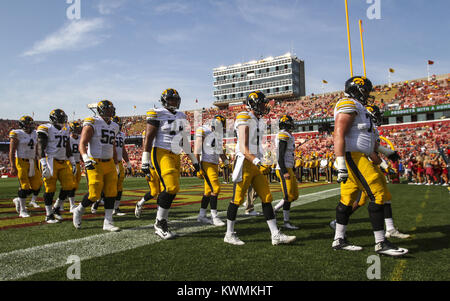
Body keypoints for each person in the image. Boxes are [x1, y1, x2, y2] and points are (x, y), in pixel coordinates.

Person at [332, 76, 408, 256]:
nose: (368, 94)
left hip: (358, 155)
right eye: (365, 90)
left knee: (347, 199)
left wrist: (388, 153)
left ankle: (339, 239)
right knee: (378, 193)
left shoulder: (359, 108)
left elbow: (369, 142)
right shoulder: (348, 103)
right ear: (356, 89)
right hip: (353, 156)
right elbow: (339, 133)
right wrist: (341, 162)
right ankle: (381, 243)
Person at [224, 91, 296, 246]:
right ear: (253, 104)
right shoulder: (244, 117)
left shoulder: (260, 120)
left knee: (267, 197)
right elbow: (243, 148)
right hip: (245, 161)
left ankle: (275, 234)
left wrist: (261, 160)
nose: (265, 106)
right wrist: (258, 161)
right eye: (262, 103)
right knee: (237, 199)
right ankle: (229, 234)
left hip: (256, 161)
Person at [141, 88, 198, 239]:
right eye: (171, 99)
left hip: (176, 153)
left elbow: (183, 139)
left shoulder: (181, 115)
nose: (174, 102)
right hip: (161, 151)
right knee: (171, 187)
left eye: (176, 99)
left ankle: (161, 219)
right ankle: (160, 223)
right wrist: (145, 161)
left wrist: (194, 160)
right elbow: (149, 137)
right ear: (165, 100)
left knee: (173, 189)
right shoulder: (157, 113)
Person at [72, 100, 120, 232]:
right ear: (102, 110)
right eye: (109, 109)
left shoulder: (115, 126)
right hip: (95, 161)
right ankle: (79, 210)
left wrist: (116, 164)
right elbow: (82, 143)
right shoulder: (92, 122)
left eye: (112, 109)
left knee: (111, 191)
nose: (111, 111)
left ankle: (108, 221)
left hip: (109, 161)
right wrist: (86, 158)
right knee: (94, 193)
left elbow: (113, 146)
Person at [37, 109, 76, 223]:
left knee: (69, 185)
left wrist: (72, 161)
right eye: (60, 118)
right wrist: (43, 164)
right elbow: (40, 147)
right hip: (50, 160)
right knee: (50, 188)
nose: (63, 120)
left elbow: (67, 146)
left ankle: (56, 208)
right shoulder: (46, 128)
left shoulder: (66, 129)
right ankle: (49, 215)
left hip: (63, 160)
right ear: (53, 119)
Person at [90, 115, 132, 216]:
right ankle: (97, 202)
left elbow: (122, 149)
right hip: (109, 161)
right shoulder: (107, 132)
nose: (118, 126)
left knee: (119, 186)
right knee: (105, 185)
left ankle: (116, 208)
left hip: (119, 162)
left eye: (119, 125)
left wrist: (128, 163)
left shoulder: (122, 134)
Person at [194, 114, 228, 226]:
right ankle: (215, 217)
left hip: (214, 164)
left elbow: (219, 150)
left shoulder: (216, 134)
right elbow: (197, 150)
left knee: (208, 192)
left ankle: (201, 215)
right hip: (206, 164)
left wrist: (226, 161)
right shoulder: (203, 130)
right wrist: (197, 167)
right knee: (216, 188)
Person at [9, 116, 42, 218]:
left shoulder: (35, 133)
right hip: (21, 161)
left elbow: (36, 149)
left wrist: (40, 161)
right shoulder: (17, 133)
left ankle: (19, 199)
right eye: (28, 123)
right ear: (23, 124)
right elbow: (12, 151)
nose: (31, 125)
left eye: (31, 123)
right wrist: (12, 166)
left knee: (37, 185)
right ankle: (22, 210)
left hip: (32, 161)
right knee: (24, 186)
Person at [272, 114, 300, 230]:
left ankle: (274, 210)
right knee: (288, 196)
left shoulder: (288, 135)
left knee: (294, 196)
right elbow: (280, 155)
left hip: (289, 167)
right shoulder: (283, 134)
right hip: (283, 168)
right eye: (290, 122)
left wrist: (292, 169)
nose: (292, 124)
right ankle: (286, 222)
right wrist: (284, 171)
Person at [135, 130, 161, 218]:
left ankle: (160, 212)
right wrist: (145, 163)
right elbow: (145, 147)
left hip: (161, 166)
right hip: (151, 166)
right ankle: (139, 204)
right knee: (154, 192)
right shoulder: (148, 131)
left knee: (163, 191)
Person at [68, 121, 82, 213]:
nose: (78, 130)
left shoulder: (80, 138)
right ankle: (71, 205)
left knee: (76, 184)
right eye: (76, 129)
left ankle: (61, 203)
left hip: (78, 163)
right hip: (70, 163)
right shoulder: (68, 139)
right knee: (71, 185)